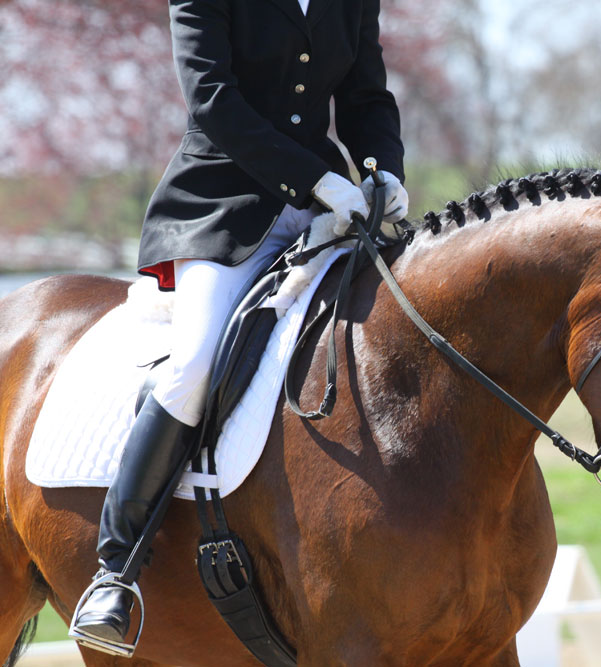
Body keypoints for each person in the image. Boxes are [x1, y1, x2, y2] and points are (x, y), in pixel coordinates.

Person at [69, 0, 406, 652]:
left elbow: (366, 96)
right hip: (223, 205)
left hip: (331, 209)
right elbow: (213, 100)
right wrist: (315, 180)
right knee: (195, 362)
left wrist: (384, 170)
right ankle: (115, 571)